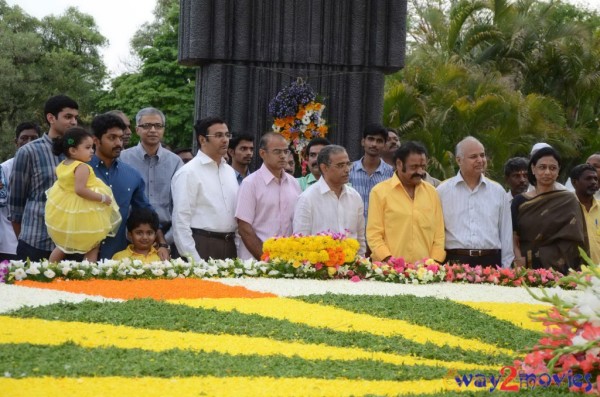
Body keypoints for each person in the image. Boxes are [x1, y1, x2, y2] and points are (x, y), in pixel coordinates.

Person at [89, 113, 170, 260]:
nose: (119, 143)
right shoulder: (80, 170)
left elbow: (147, 213)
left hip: (116, 257)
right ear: (96, 140)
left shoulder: (132, 175)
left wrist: (162, 243)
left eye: (120, 138)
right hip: (78, 256)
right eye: (112, 138)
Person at [9, 95, 79, 261]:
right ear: (51, 118)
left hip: (72, 242)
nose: (74, 122)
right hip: (36, 241)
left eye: (76, 117)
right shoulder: (28, 152)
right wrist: (24, 238)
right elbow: (16, 204)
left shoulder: (81, 152)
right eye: (68, 117)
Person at [45, 128, 121, 262]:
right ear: (73, 150)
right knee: (93, 245)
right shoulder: (82, 167)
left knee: (63, 245)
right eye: (87, 147)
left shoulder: (63, 164)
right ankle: (88, 274)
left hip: (67, 210)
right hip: (84, 211)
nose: (92, 151)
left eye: (92, 147)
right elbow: (80, 190)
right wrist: (103, 198)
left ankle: (49, 268)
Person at [437, 136, 513, 268]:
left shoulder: (498, 191)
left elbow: (506, 234)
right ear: (459, 160)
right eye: (473, 157)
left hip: (491, 263)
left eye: (482, 155)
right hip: (455, 263)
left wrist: (506, 268)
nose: (480, 160)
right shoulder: (442, 191)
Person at [172, 116, 239, 261]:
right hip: (201, 245)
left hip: (230, 245)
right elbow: (180, 221)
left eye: (227, 135)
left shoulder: (229, 172)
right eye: (219, 135)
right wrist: (194, 260)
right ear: (203, 140)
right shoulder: (188, 172)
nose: (225, 140)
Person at [367, 142, 445, 263]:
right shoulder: (379, 192)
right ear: (399, 164)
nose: (420, 172)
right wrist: (390, 261)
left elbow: (439, 236)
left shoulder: (432, 192)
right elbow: (374, 234)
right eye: (414, 167)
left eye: (423, 167)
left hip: (426, 274)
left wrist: (433, 263)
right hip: (388, 272)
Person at [511, 147, 586, 272]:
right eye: (542, 167)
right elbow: (514, 238)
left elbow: (575, 240)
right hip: (525, 269)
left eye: (552, 168)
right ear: (533, 169)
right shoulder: (520, 201)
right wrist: (519, 260)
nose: (547, 172)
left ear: (558, 171)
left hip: (560, 270)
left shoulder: (569, 200)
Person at [119, 107, 183, 251]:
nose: (153, 130)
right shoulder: (122, 159)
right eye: (147, 126)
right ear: (137, 130)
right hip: (127, 238)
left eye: (158, 126)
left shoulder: (175, 162)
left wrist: (165, 241)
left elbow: (180, 205)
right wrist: (130, 237)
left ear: (163, 130)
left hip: (167, 238)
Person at [235, 133, 301, 259]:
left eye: (285, 151)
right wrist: (265, 258)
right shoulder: (250, 183)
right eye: (277, 151)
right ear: (262, 153)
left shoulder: (294, 184)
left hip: (288, 262)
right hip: (256, 262)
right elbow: (244, 228)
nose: (283, 156)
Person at [293, 145, 365, 255]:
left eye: (348, 164)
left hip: (352, 268)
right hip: (319, 268)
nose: (347, 170)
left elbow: (360, 239)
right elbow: (300, 241)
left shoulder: (355, 197)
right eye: (340, 165)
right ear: (324, 168)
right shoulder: (307, 198)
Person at [0, 122, 42, 261]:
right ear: (16, 142)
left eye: (34, 138)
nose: (29, 143)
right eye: (24, 138)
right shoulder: (4, 168)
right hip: (9, 241)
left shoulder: (46, 168)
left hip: (38, 239)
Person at [349, 123, 394, 218]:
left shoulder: (391, 174)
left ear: (384, 145)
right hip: (352, 230)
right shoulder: (349, 170)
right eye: (370, 139)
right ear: (363, 142)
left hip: (379, 231)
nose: (374, 144)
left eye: (379, 141)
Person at [571, 164, 600, 264]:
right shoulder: (565, 208)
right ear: (575, 183)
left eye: (595, 179)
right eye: (588, 178)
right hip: (575, 274)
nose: (593, 182)